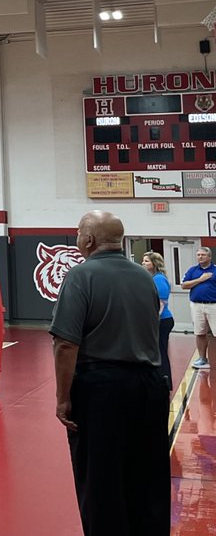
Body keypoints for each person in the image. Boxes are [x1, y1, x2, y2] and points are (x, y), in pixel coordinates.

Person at [50, 211, 168, 536]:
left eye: (78, 232)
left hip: (102, 389)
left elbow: (66, 344)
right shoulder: (145, 277)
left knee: (101, 482)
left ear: (88, 239)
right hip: (150, 386)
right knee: (147, 478)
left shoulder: (80, 276)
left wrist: (62, 399)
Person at [142, 252, 175, 389]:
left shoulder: (159, 279)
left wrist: (153, 321)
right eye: (143, 261)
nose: (143, 263)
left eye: (146, 261)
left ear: (154, 264)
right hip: (157, 320)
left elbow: (161, 304)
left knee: (160, 351)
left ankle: (164, 381)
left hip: (162, 320)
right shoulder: (151, 278)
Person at [181, 245, 216, 370]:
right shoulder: (192, 270)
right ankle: (202, 358)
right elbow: (184, 285)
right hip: (197, 305)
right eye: (198, 255)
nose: (200, 257)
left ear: (210, 257)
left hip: (213, 305)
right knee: (200, 332)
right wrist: (200, 279)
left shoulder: (215, 270)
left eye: (203, 255)